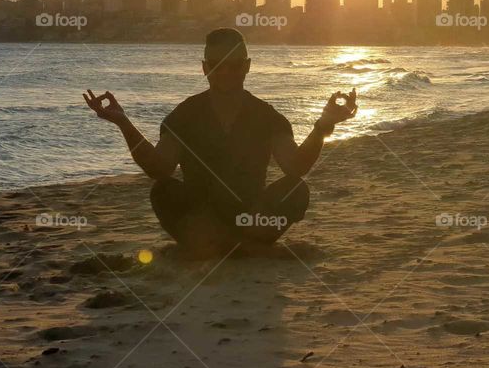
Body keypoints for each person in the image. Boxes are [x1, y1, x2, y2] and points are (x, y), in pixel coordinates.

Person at [84, 28, 358, 257]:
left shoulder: (267, 116)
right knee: (163, 190)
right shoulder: (185, 115)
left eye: (234, 64)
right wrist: (123, 123)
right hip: (202, 219)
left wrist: (324, 125)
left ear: (247, 66)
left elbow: (294, 167)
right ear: (205, 68)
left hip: (252, 218)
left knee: (296, 189)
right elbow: (160, 169)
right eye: (216, 64)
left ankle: (229, 245)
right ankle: (238, 248)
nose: (225, 71)